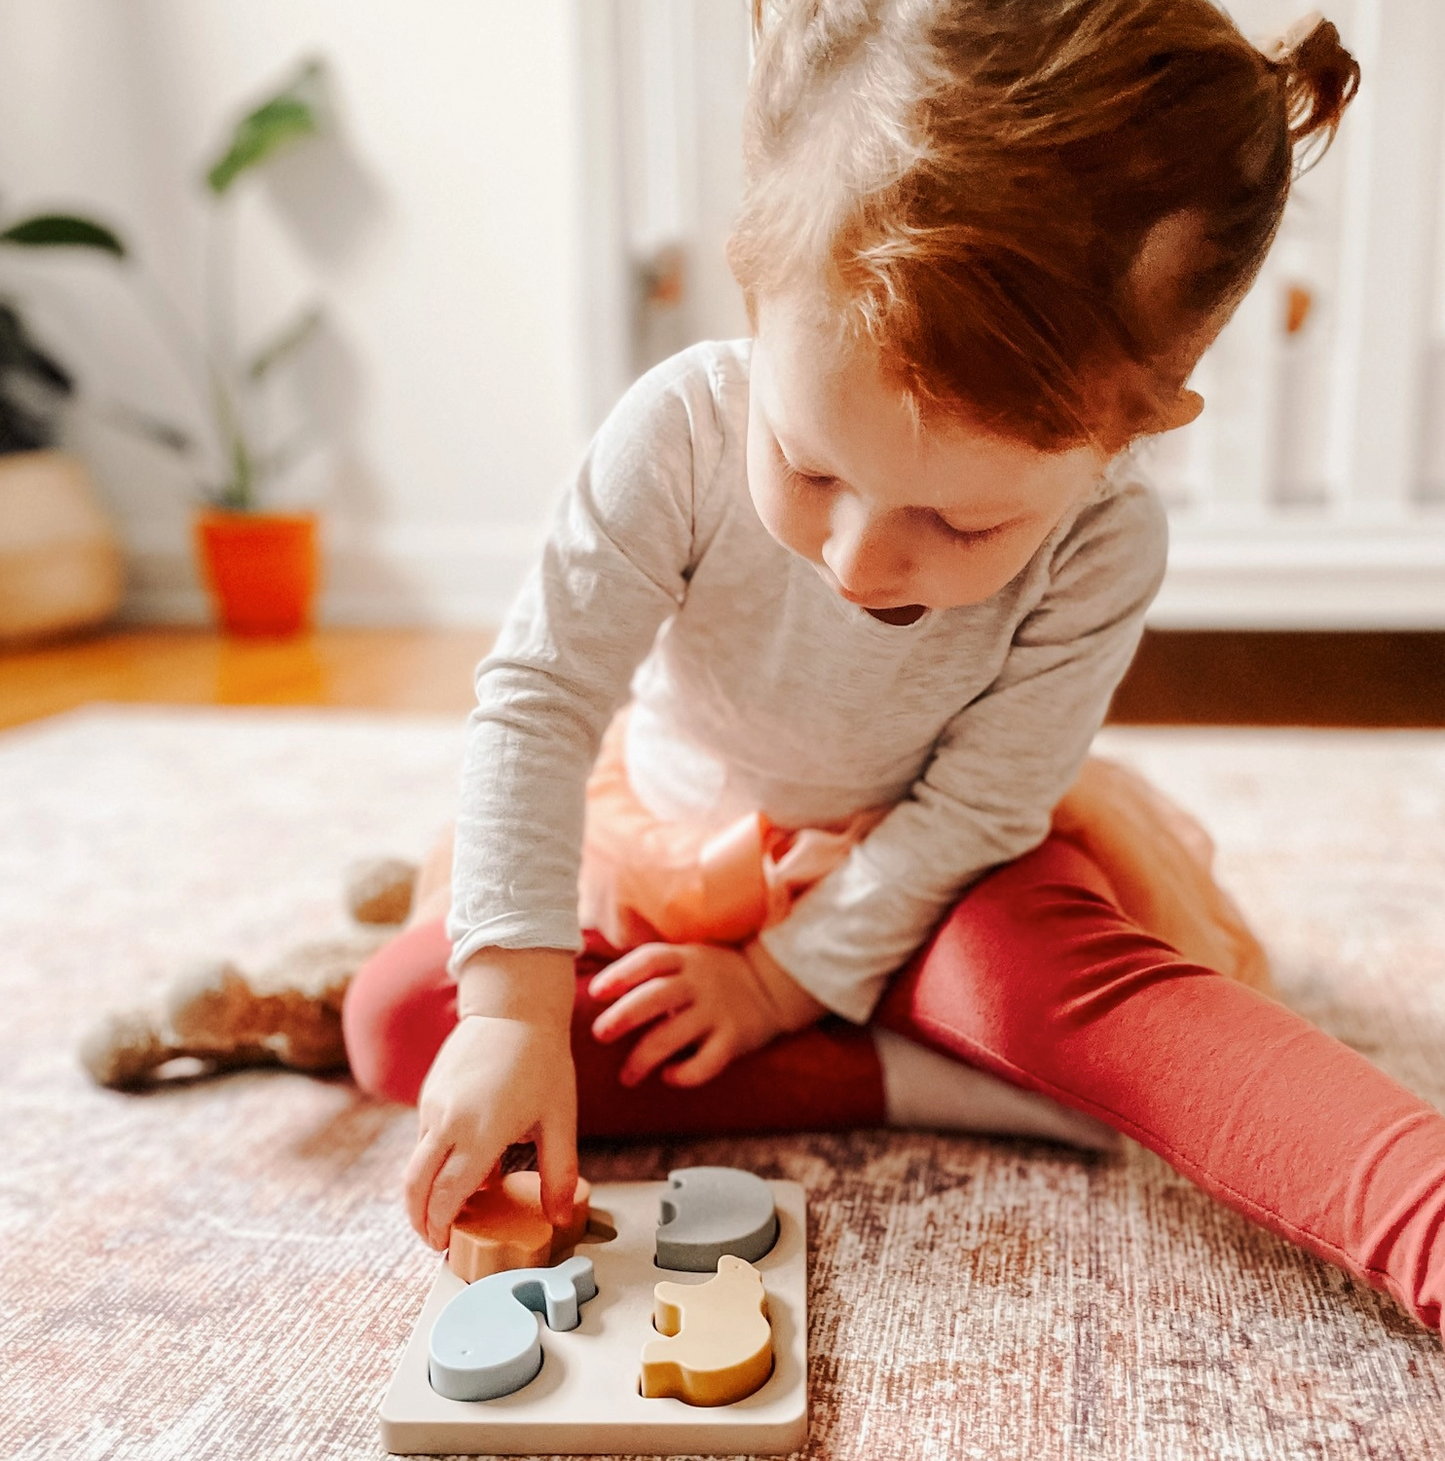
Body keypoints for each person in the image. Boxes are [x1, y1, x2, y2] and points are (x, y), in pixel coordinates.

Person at [345, 1, 1445, 1333]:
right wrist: (513, 1012)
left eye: (964, 522)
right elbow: (538, 701)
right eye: (811, 469)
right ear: (755, 288)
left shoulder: (1107, 543)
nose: (862, 564)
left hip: (927, 868)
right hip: (677, 848)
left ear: (1130, 432)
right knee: (410, 1018)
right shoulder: (680, 436)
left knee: (1074, 986)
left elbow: (979, 812)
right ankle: (949, 1077)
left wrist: (784, 983)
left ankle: (1416, 1209)